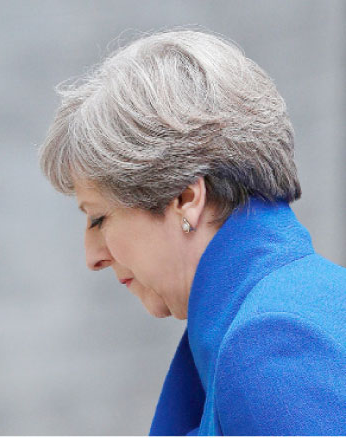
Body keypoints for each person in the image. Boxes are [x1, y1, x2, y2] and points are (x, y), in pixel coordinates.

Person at [38, 29, 346, 435]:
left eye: (98, 218)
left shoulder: (271, 344)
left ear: (186, 198)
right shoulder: (285, 311)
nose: (92, 256)